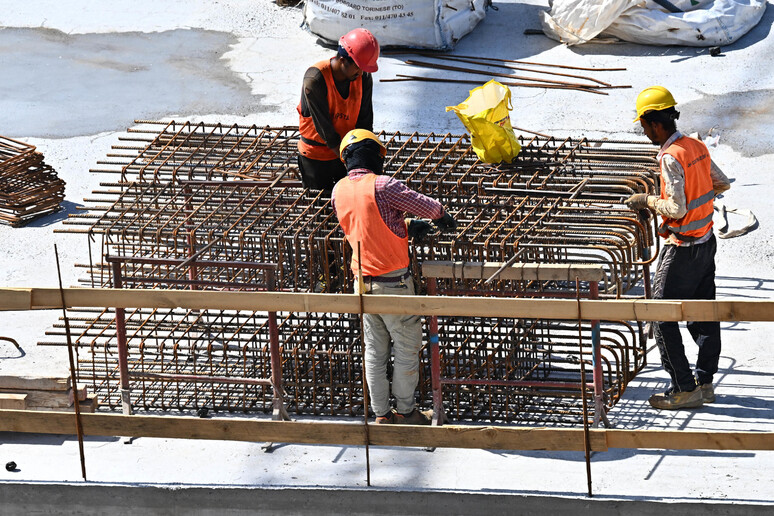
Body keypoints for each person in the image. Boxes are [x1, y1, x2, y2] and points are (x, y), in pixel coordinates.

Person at [331, 129, 457, 425]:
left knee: (374, 352)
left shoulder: (338, 191)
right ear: (374, 155)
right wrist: (441, 216)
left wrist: (406, 226)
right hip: (394, 284)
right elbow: (426, 205)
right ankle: (405, 410)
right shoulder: (384, 185)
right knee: (406, 349)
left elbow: (366, 225)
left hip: (362, 284)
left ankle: (381, 414)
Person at [625, 86, 731, 410]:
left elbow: (676, 209)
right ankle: (705, 383)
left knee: (660, 316)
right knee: (704, 312)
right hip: (706, 242)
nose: (644, 134)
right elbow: (721, 182)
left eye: (644, 127)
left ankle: (684, 387)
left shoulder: (670, 156)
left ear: (656, 123)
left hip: (683, 248)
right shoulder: (695, 146)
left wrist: (646, 200)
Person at [296, 28, 379, 191]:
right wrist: (353, 163)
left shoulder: (363, 78)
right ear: (343, 59)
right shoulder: (315, 79)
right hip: (317, 158)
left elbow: (365, 121)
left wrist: (365, 157)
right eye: (358, 67)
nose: (361, 72)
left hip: (346, 153)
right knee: (321, 210)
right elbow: (325, 130)